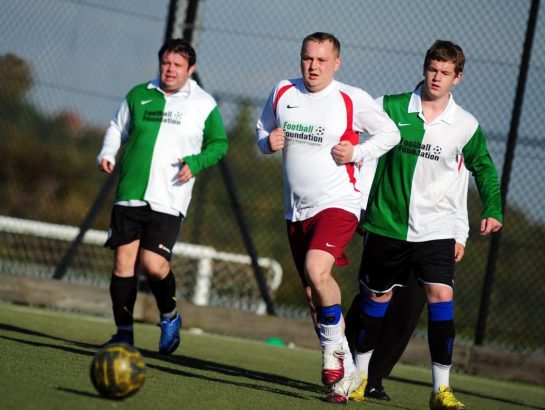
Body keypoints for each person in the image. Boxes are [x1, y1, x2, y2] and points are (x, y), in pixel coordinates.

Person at [337, 40, 503, 409]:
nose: (437, 77)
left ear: (457, 78)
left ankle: (440, 390)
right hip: (387, 225)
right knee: (375, 300)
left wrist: (493, 208)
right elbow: (348, 131)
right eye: (433, 69)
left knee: (441, 298)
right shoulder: (390, 107)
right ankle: (360, 377)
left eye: (445, 73)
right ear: (424, 68)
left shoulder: (465, 125)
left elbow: (484, 169)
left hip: (437, 229)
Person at [256, 32, 400, 404]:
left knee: (317, 270)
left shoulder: (351, 98)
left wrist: (357, 153)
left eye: (321, 60)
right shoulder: (283, 91)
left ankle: (334, 356)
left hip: (339, 202)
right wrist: (265, 142)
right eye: (307, 58)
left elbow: (391, 133)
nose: (313, 66)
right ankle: (347, 376)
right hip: (296, 210)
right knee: (312, 294)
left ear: (336, 63)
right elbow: (262, 129)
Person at [96, 38, 228, 355]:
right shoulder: (139, 95)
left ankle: (169, 315)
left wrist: (195, 163)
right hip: (130, 192)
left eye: (177, 65)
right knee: (123, 263)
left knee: (154, 265)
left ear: (191, 69)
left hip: (169, 199)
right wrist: (108, 151)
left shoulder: (204, 104)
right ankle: (123, 334)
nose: (170, 70)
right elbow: (117, 127)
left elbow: (219, 144)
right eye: (166, 63)